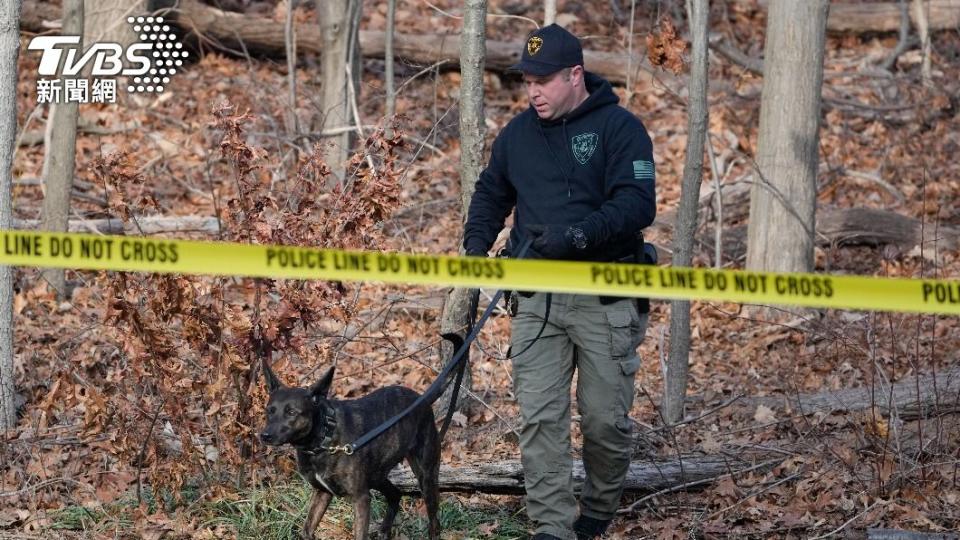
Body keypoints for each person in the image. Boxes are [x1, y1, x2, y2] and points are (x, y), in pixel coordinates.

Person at [463, 24, 656, 540]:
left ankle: (595, 514)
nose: (533, 92)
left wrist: (576, 236)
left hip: (604, 295)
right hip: (536, 298)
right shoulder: (517, 136)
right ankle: (551, 527)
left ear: (576, 75)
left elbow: (637, 204)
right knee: (541, 419)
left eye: (544, 80)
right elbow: (489, 195)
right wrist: (474, 250)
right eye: (527, 81)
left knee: (604, 422)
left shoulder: (621, 128)